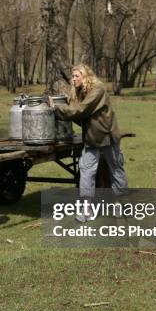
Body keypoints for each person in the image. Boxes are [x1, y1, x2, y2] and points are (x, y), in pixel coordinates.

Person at [49, 64, 128, 221]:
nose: (73, 79)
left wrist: (58, 108)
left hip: (107, 136)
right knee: (86, 171)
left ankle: (120, 205)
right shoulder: (80, 93)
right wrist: (67, 105)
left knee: (115, 169)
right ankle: (87, 210)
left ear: (85, 76)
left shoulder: (98, 90)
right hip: (92, 139)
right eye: (72, 76)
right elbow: (79, 115)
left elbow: (82, 110)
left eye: (76, 76)